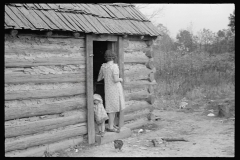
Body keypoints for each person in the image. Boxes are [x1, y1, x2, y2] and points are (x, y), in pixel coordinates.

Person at [97, 50, 125, 132]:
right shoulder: (114, 66)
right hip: (115, 88)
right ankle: (110, 127)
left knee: (111, 106)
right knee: (114, 107)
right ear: (113, 57)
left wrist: (106, 77)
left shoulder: (103, 66)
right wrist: (121, 79)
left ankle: (111, 124)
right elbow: (116, 79)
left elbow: (99, 78)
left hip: (108, 88)